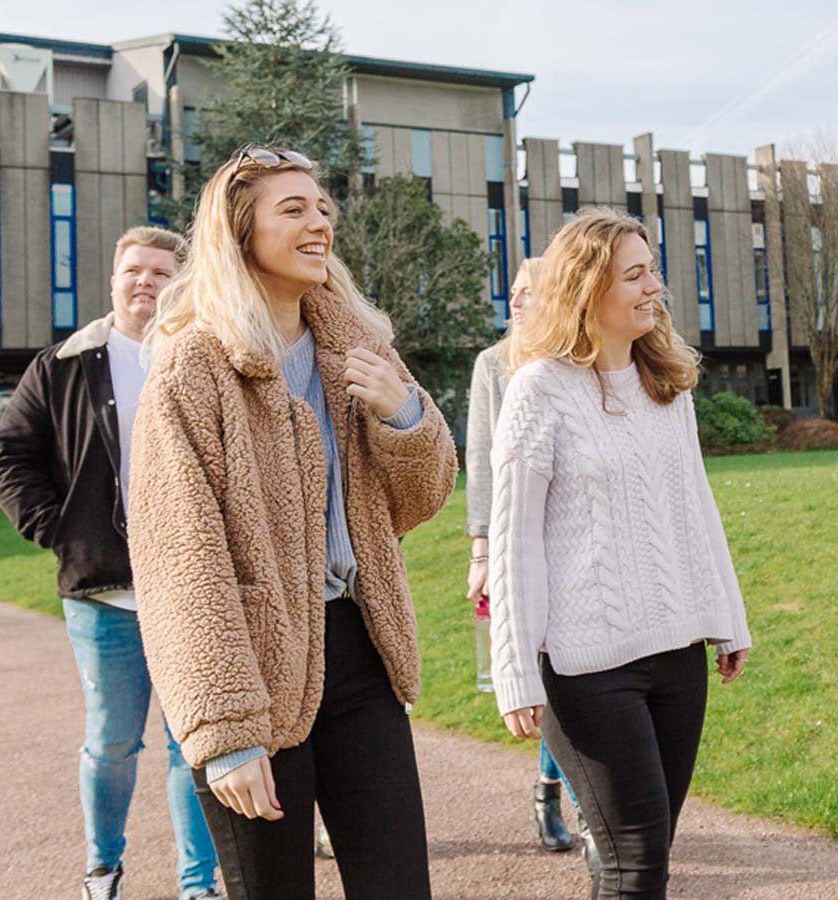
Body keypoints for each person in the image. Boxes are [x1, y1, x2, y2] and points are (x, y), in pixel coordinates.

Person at [126, 147, 457, 900]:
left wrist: (402, 414)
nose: (319, 224)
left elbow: (419, 501)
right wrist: (227, 727)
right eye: (294, 209)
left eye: (323, 209)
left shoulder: (361, 351)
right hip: (253, 668)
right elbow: (181, 558)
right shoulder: (192, 368)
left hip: (360, 652)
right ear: (239, 233)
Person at [489, 209, 752, 899]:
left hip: (676, 656)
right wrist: (515, 671)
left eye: (652, 272)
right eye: (635, 275)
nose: (654, 287)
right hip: (585, 670)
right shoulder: (537, 390)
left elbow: (695, 507)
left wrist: (729, 616)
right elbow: (514, 539)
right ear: (587, 288)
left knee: (644, 854)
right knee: (636, 862)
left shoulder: (666, 383)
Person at [0, 226, 222, 900]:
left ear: (180, 282)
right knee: (113, 740)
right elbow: (9, 457)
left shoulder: (202, 357)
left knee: (192, 743)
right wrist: (58, 530)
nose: (144, 281)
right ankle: (102, 869)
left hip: (192, 592)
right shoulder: (63, 363)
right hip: (102, 591)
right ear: (113, 280)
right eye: (133, 269)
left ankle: (198, 884)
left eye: (159, 271)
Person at [465, 257, 590, 860]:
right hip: (519, 541)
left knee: (571, 671)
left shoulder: (577, 361)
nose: (517, 301)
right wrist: (481, 551)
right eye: (512, 292)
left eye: (530, 292)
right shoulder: (493, 365)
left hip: (576, 538)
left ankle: (558, 790)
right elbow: (484, 461)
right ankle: (560, 794)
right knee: (543, 669)